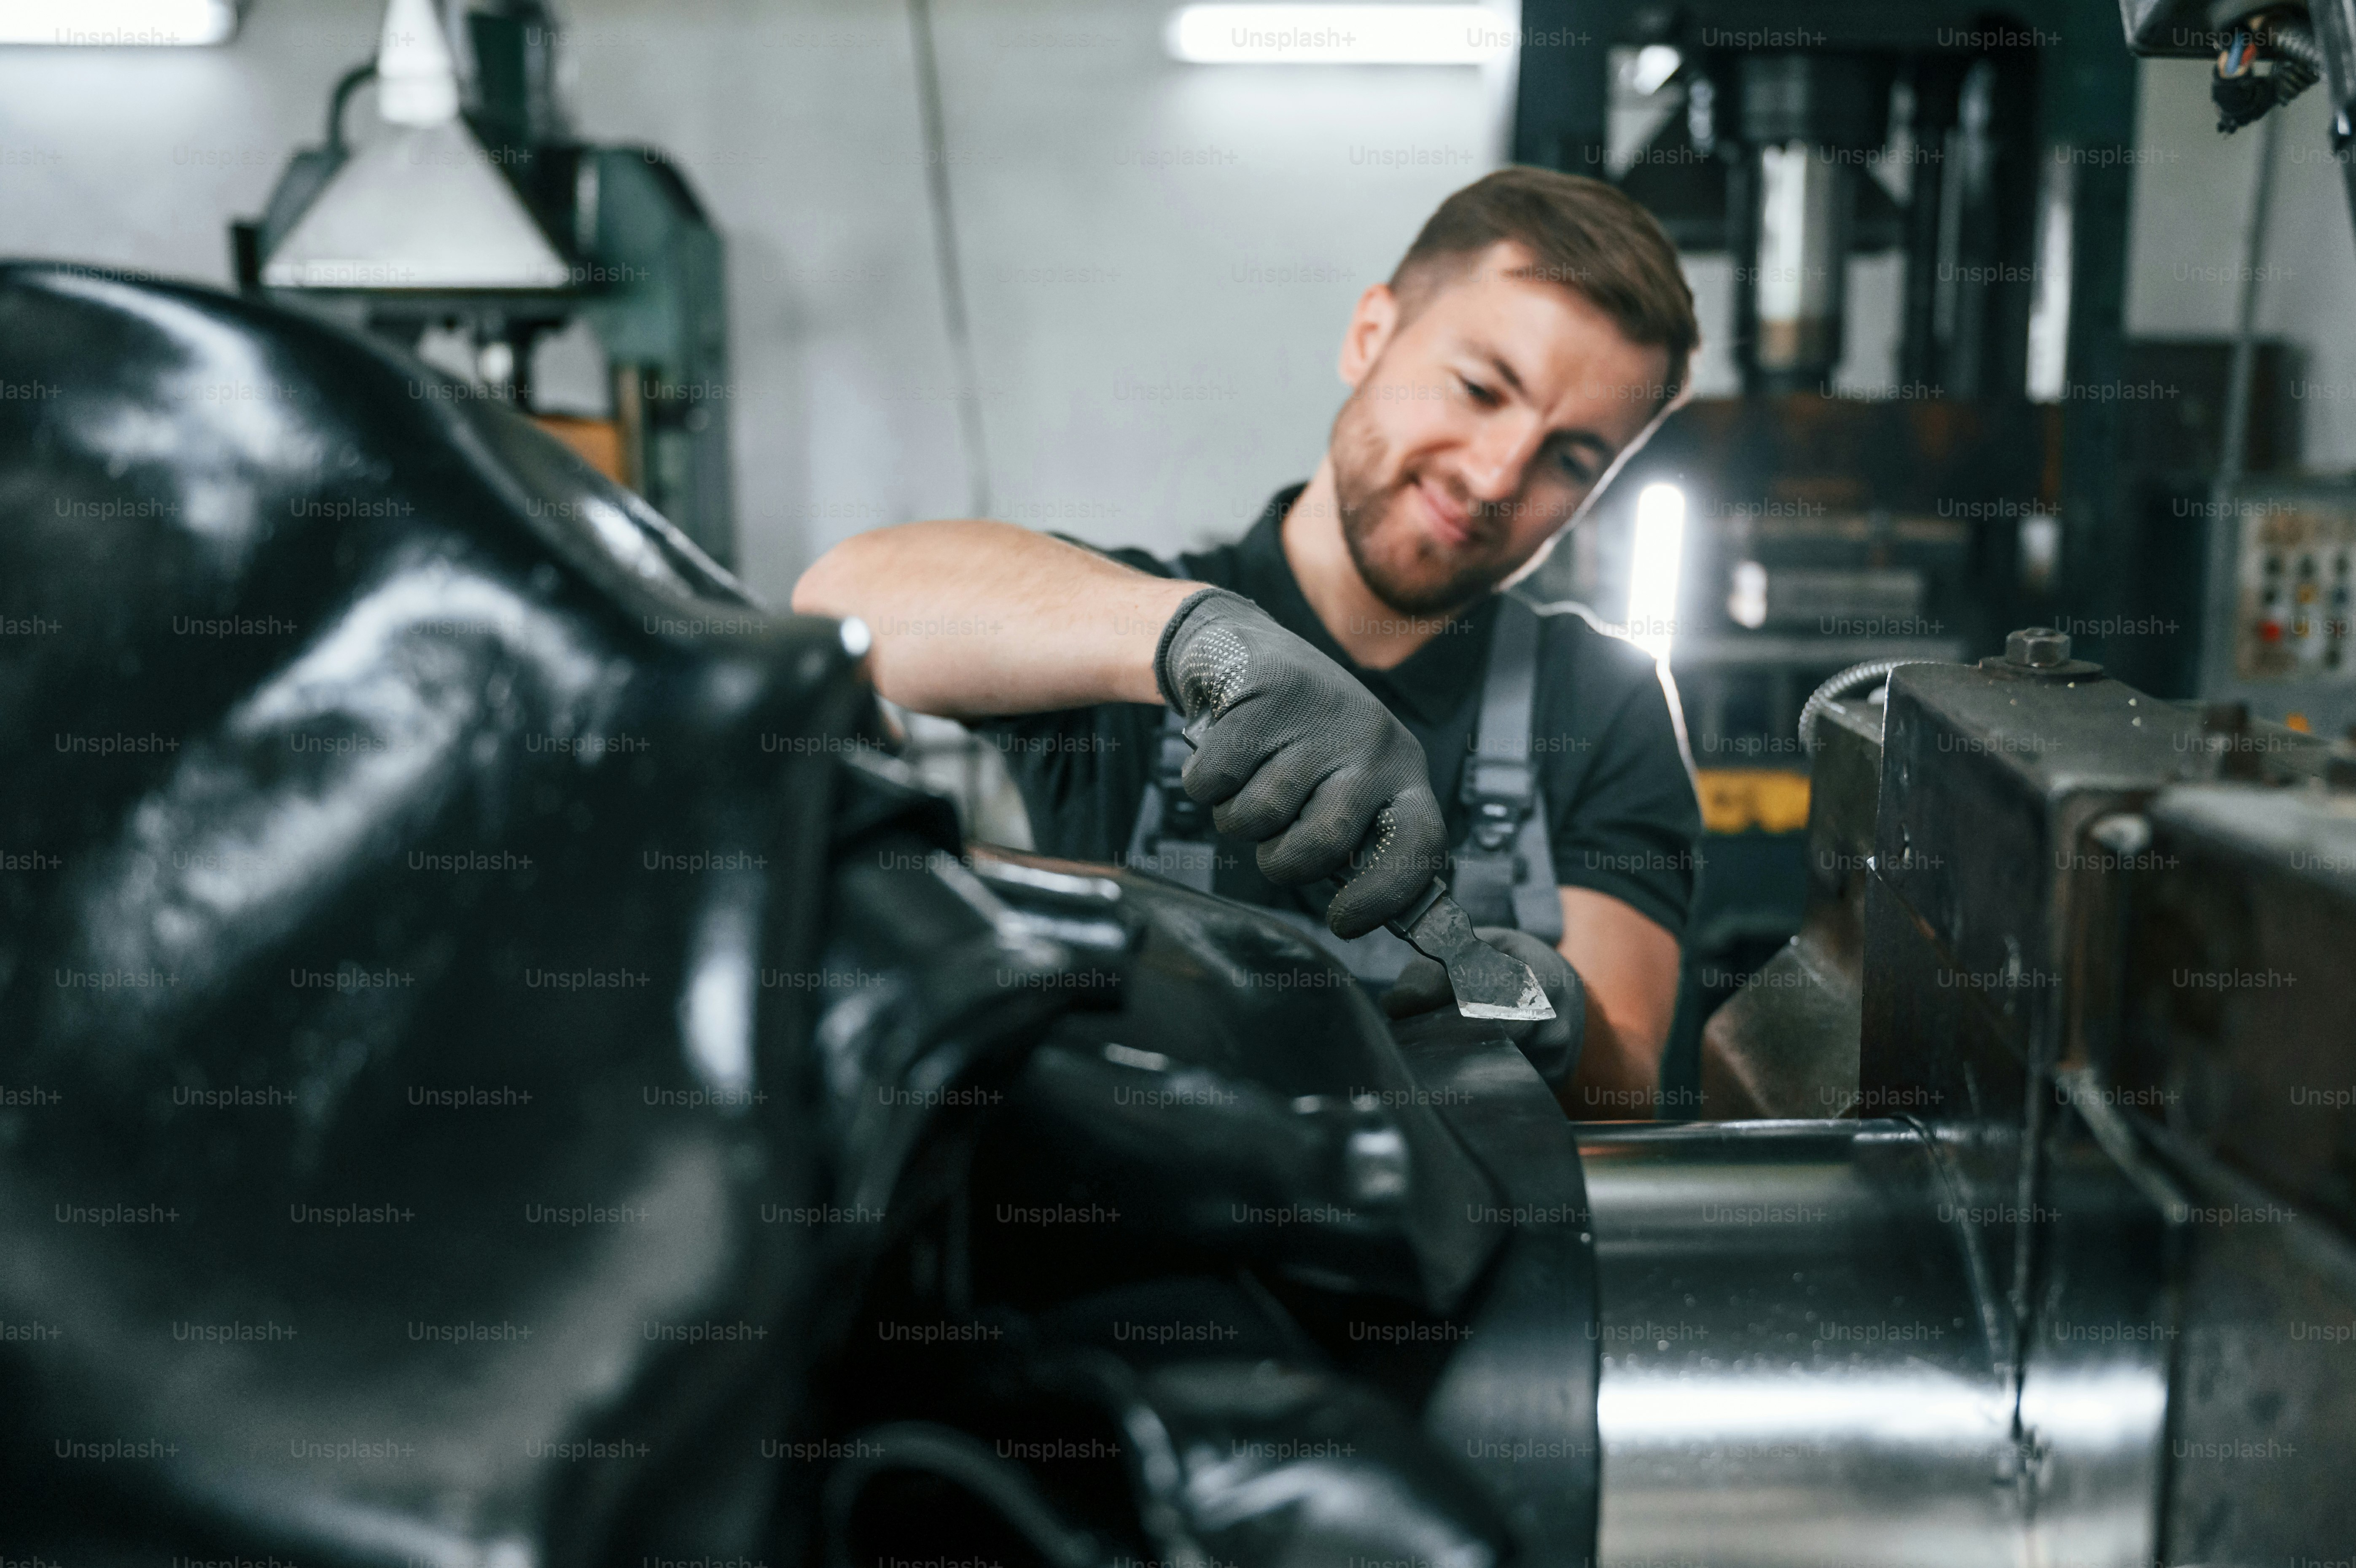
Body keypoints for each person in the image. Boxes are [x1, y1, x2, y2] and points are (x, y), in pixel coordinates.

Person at [794, 168, 1703, 1116]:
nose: (1495, 477)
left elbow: (1624, 1083)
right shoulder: (1109, 620)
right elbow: (839, 601)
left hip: (1446, 1252)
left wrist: (1558, 1019)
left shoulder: (1603, 701)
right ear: (1369, 336)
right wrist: (1193, 643)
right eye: (1478, 389)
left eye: (1570, 459)